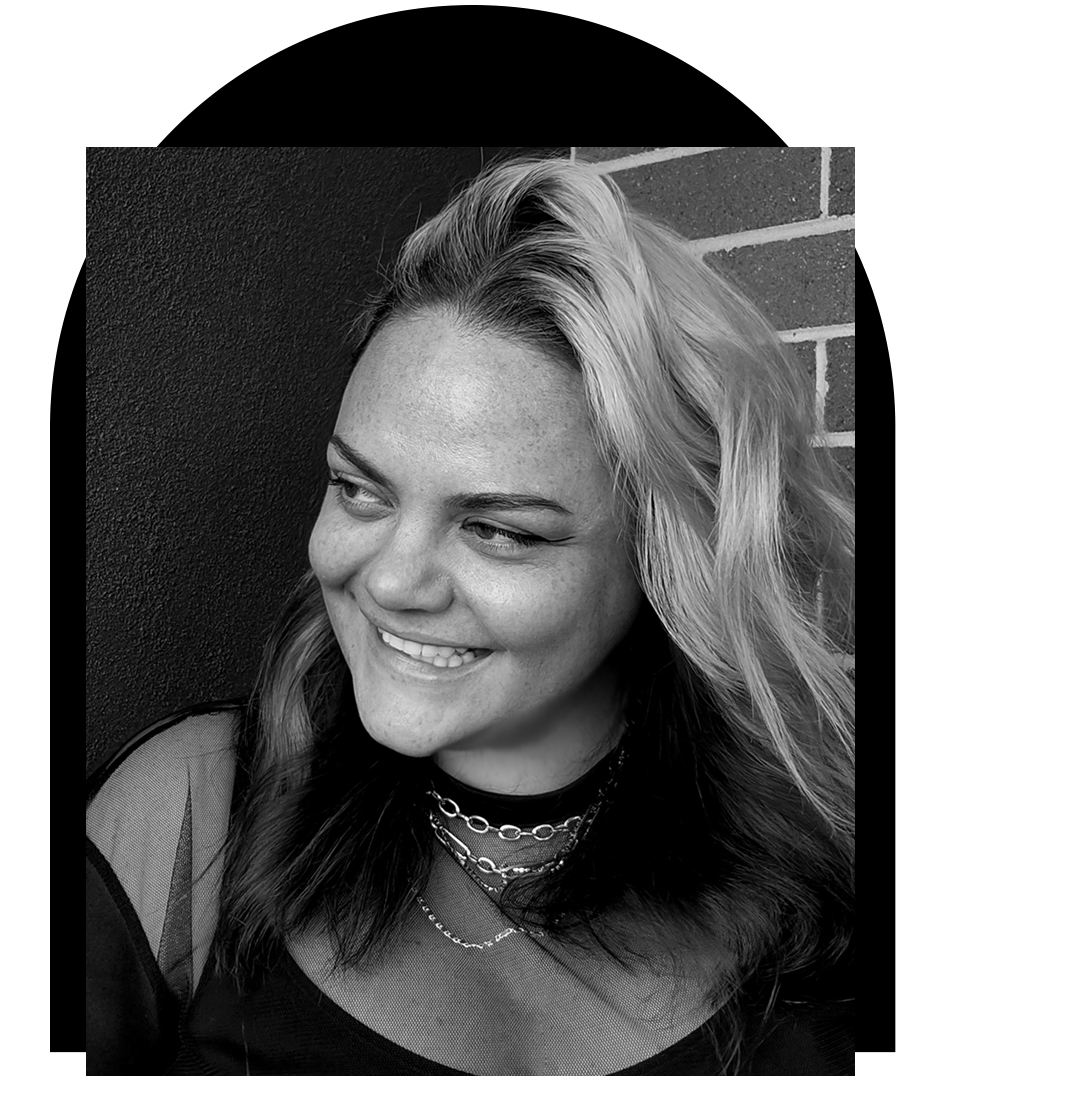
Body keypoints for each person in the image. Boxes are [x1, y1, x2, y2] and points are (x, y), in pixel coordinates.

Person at [86, 154, 855, 1077]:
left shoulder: (810, 869)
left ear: (667, 556)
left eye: (497, 530)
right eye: (359, 489)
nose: (391, 581)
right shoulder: (190, 815)